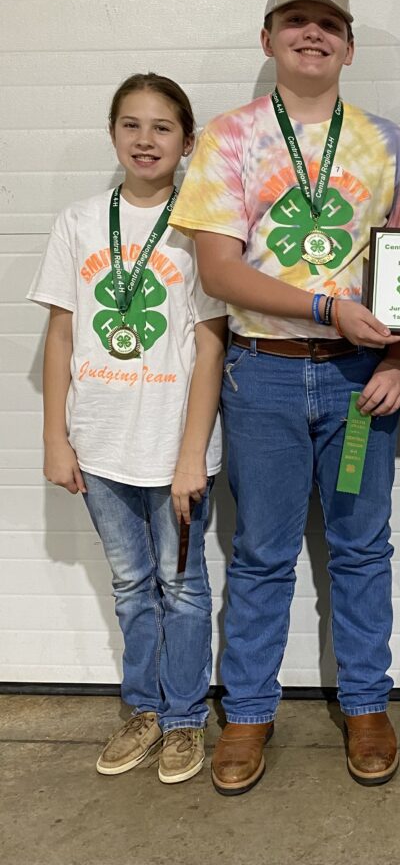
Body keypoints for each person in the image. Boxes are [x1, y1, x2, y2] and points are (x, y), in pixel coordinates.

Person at [169, 0, 400, 795]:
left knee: (360, 549)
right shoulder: (227, 140)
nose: (313, 34)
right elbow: (219, 271)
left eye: (329, 24)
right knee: (264, 553)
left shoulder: (387, 141)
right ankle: (246, 712)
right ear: (267, 37)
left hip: (356, 384)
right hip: (263, 379)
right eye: (295, 21)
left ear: (348, 47)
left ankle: (368, 702)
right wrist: (325, 307)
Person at [29, 73, 226, 784]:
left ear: (187, 140)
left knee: (182, 587)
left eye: (162, 127)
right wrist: (57, 437)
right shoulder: (80, 221)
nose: (146, 140)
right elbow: (59, 336)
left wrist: (191, 454)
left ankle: (183, 720)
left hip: (172, 445)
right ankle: (142, 708)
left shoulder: (199, 227)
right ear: (113, 133)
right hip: (102, 444)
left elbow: (210, 342)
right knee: (130, 583)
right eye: (132, 125)